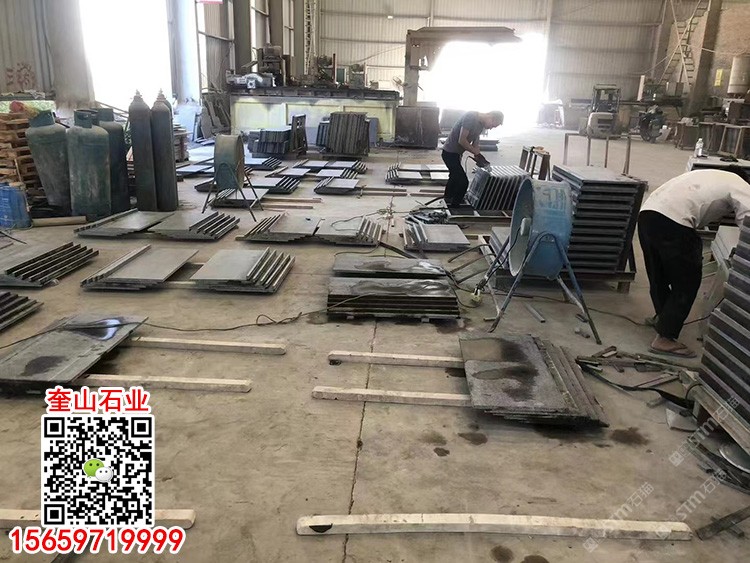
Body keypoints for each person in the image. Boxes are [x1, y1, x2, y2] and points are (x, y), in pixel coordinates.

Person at [638, 167, 750, 357]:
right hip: (674, 221)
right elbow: (748, 221)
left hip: (648, 214)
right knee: (687, 282)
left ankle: (663, 319)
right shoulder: (741, 184)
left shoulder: (709, 175)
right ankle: (665, 338)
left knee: (659, 275)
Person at [441, 110, 504, 208]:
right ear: (491, 117)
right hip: (449, 153)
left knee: (454, 177)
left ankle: (447, 199)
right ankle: (454, 208)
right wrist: (475, 152)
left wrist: (478, 155)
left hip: (456, 154)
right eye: (493, 125)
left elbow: (476, 142)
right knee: (463, 182)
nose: (491, 128)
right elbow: (462, 140)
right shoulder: (470, 117)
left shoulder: (481, 125)